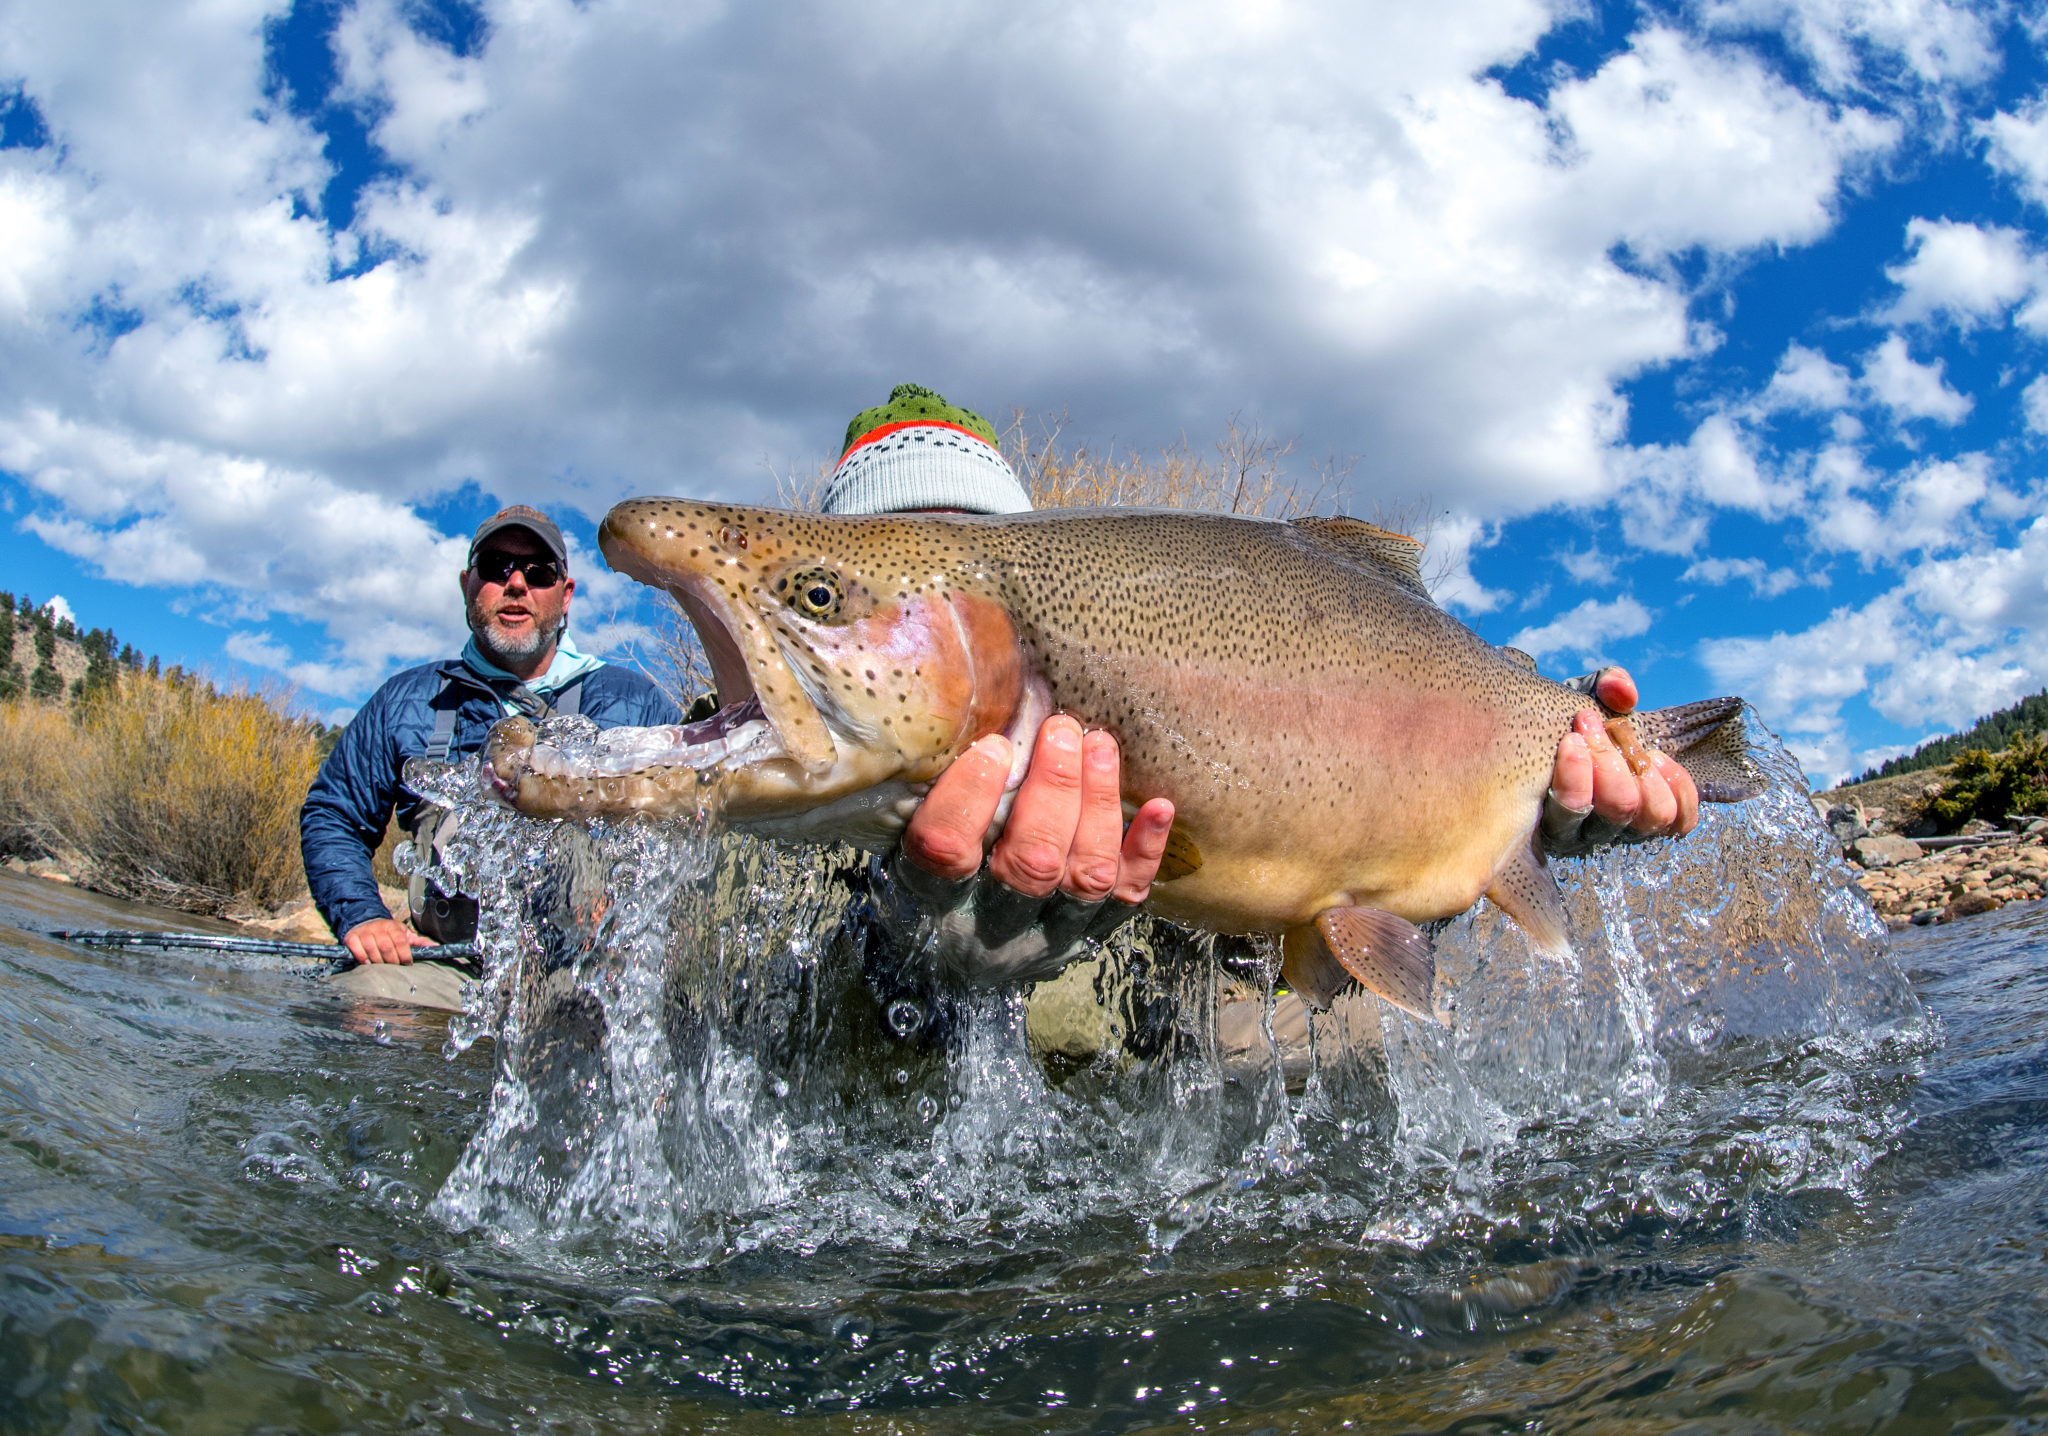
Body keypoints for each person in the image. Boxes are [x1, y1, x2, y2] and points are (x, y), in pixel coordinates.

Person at [818, 384, 1698, 989]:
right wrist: (915, 962)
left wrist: (1534, 804)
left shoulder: (1142, 724)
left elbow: (1287, 962)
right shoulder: (752, 830)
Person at [300, 506, 683, 967]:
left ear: (565, 596)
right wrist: (362, 917)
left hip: (596, 975)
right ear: (467, 584)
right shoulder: (407, 701)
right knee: (370, 995)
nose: (517, 583)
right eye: (496, 567)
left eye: (538, 572)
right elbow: (334, 814)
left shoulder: (637, 704)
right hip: (446, 971)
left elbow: (695, 831)